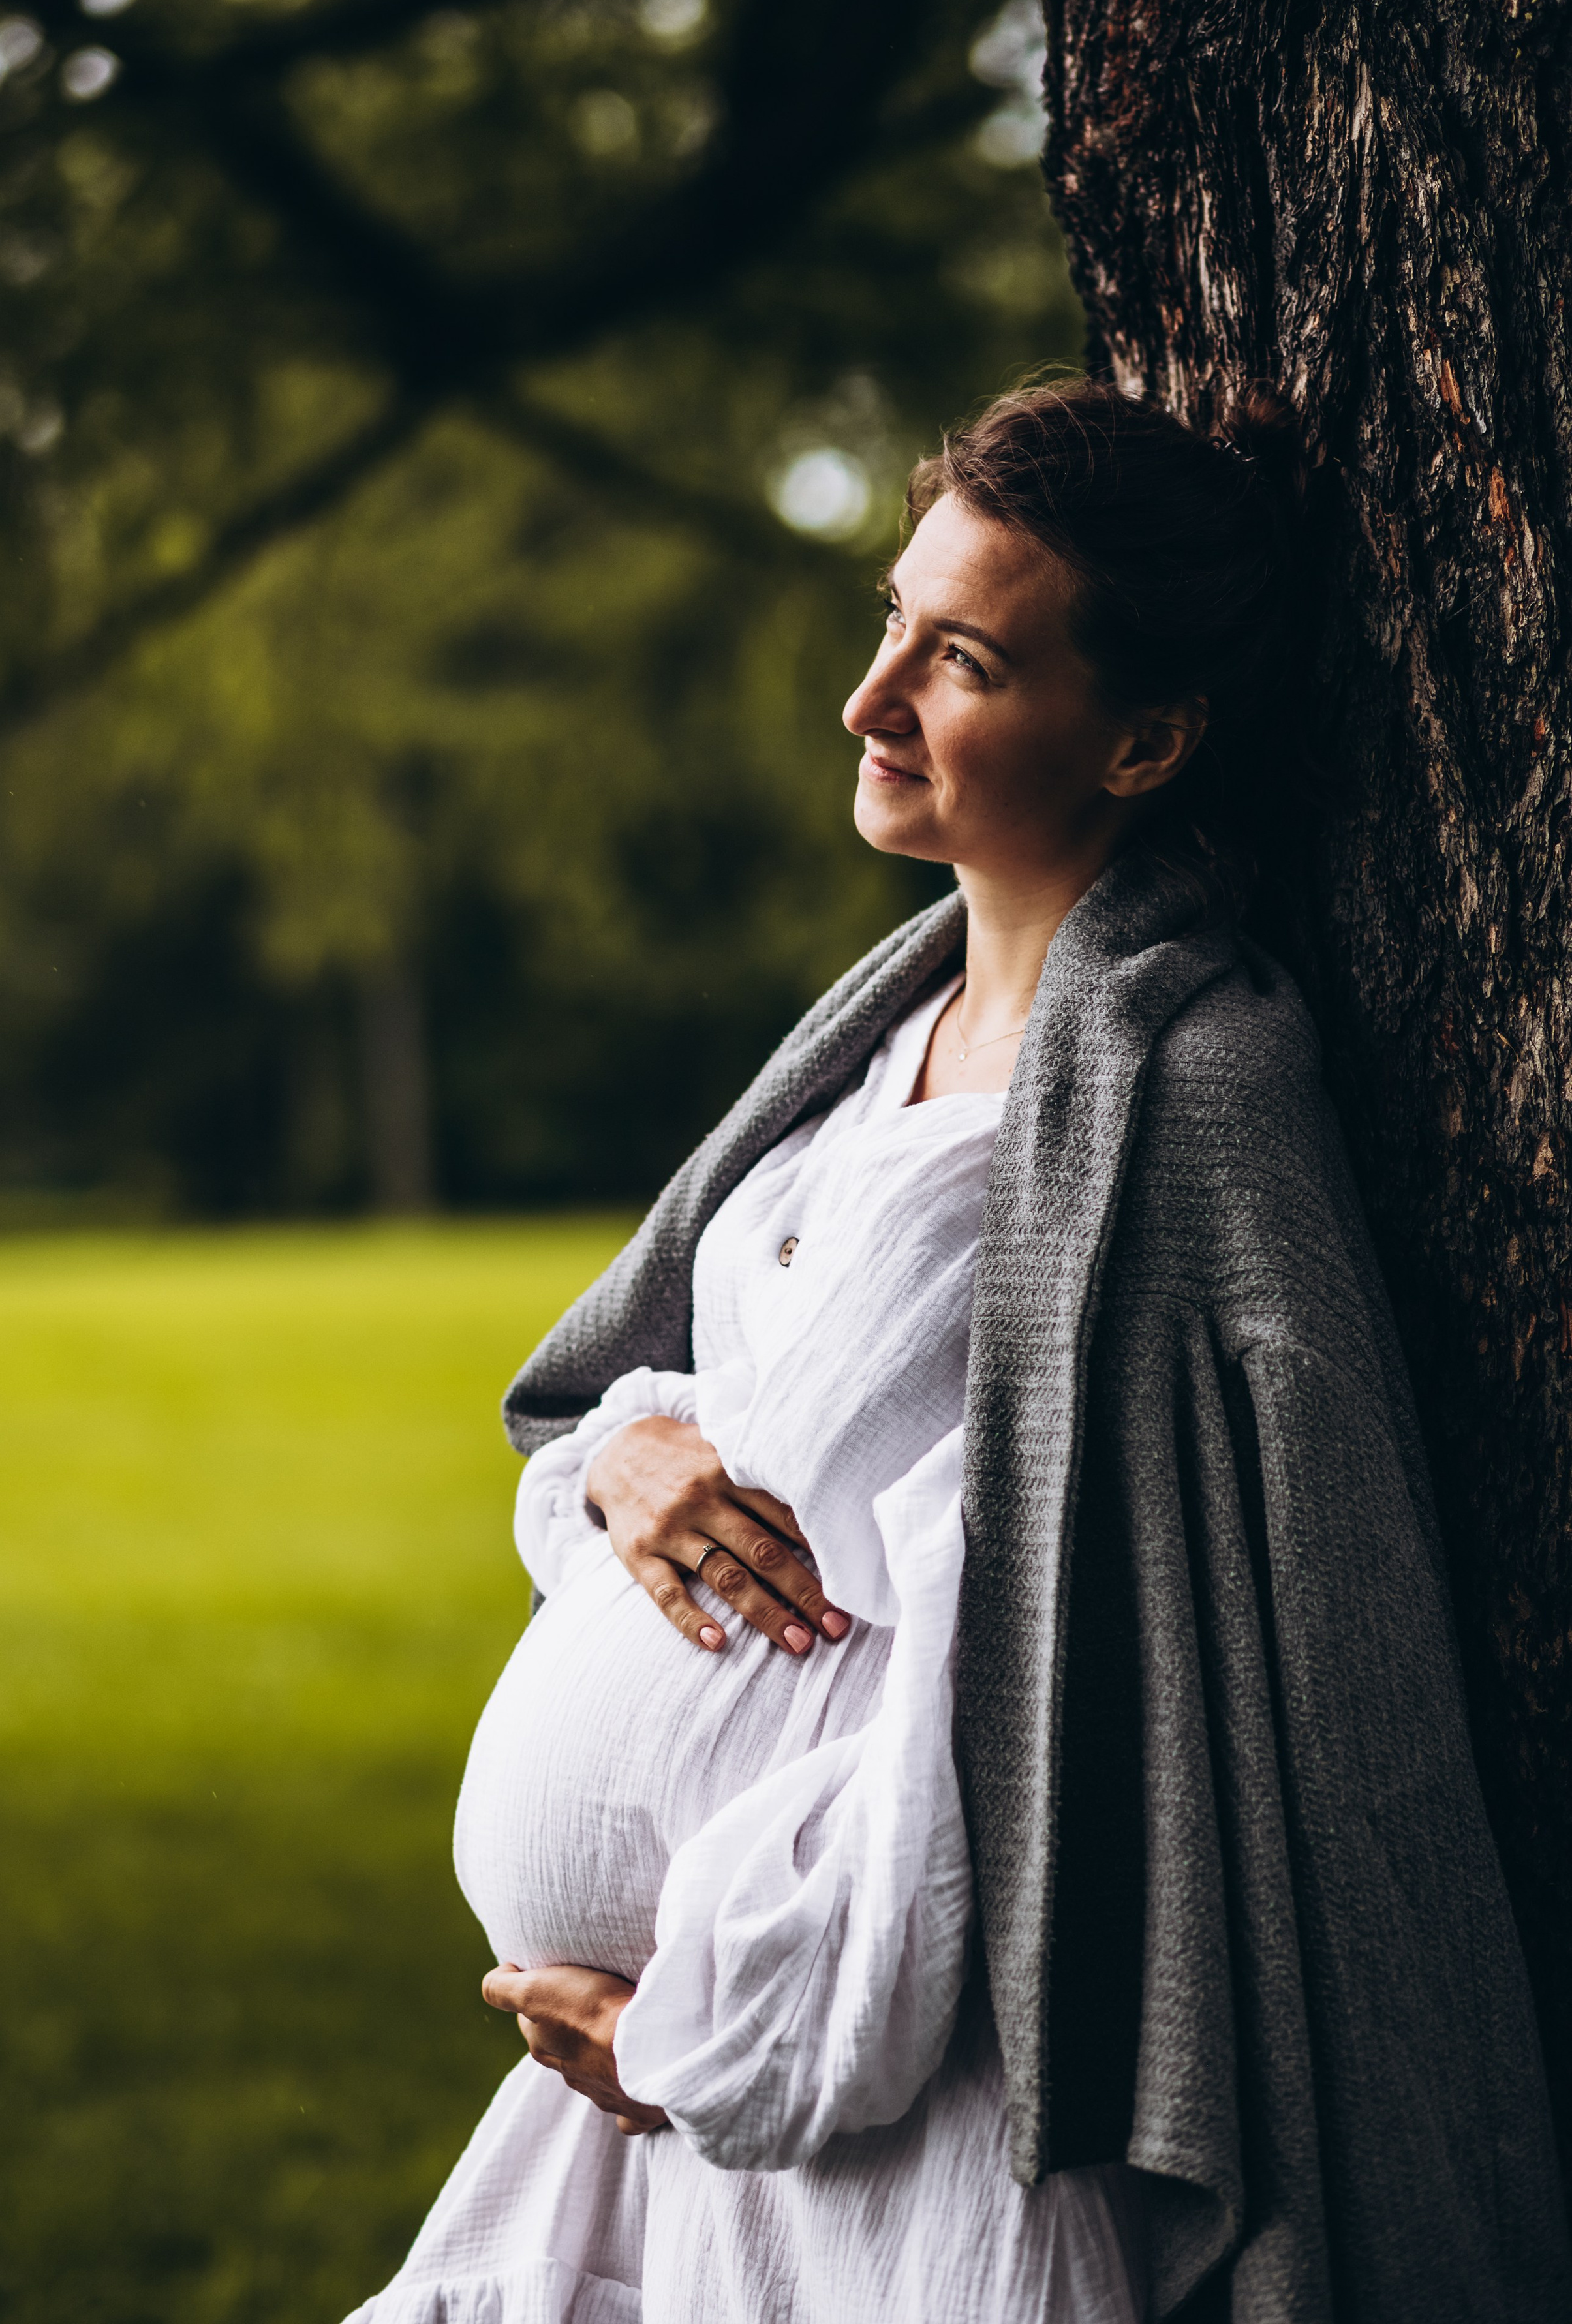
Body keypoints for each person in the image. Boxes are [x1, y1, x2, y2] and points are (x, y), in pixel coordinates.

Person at [345, 382, 1570, 2324]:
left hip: (901, 2105)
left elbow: (1106, 1662)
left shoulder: (1197, 1084)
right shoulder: (862, 1040)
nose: (872, 697)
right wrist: (624, 1460)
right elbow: (615, 1412)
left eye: (964, 659)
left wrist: (712, 2026)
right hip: (655, 2098)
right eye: (892, 623)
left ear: (1144, 737)